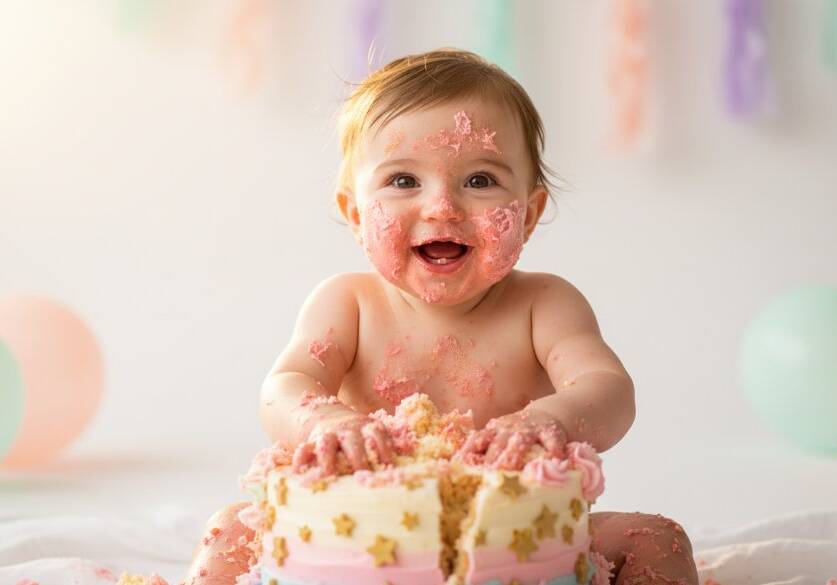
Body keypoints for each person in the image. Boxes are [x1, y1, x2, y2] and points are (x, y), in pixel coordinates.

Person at [186, 48, 699, 585]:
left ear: (528, 214)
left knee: (658, 537)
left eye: (480, 181)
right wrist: (326, 421)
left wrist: (551, 418)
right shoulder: (347, 304)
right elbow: (285, 386)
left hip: (510, 542)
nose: (442, 208)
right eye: (404, 181)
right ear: (356, 215)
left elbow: (608, 389)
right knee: (230, 529)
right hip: (360, 535)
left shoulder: (544, 305)